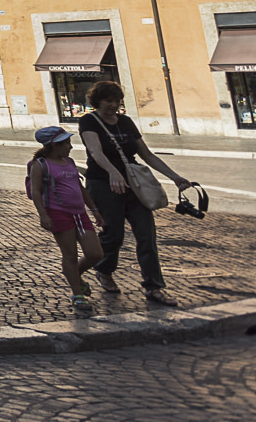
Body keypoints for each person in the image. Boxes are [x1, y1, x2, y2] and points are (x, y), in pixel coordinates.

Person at [78, 81, 196, 305]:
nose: (114, 105)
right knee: (113, 235)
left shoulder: (125, 122)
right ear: (97, 101)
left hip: (134, 184)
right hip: (103, 183)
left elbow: (147, 154)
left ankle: (154, 287)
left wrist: (174, 177)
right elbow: (95, 151)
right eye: (109, 101)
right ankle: (104, 269)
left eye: (117, 101)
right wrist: (113, 172)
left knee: (146, 234)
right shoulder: (88, 121)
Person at [27, 125, 104, 306]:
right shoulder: (41, 165)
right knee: (70, 255)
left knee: (95, 253)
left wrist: (94, 210)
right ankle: (78, 294)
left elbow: (80, 188)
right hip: (58, 214)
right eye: (67, 143)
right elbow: (36, 192)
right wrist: (43, 215)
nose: (70, 146)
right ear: (55, 145)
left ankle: (74, 276)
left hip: (80, 214)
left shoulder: (69, 162)